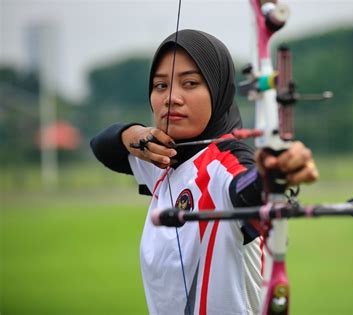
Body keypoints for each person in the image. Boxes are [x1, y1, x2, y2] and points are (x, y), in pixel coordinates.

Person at [90, 29, 318, 315]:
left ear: (218, 89)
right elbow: (101, 146)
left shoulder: (226, 162)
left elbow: (245, 189)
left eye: (190, 83)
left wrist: (274, 174)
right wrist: (133, 135)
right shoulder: (163, 156)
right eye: (160, 86)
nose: (171, 97)